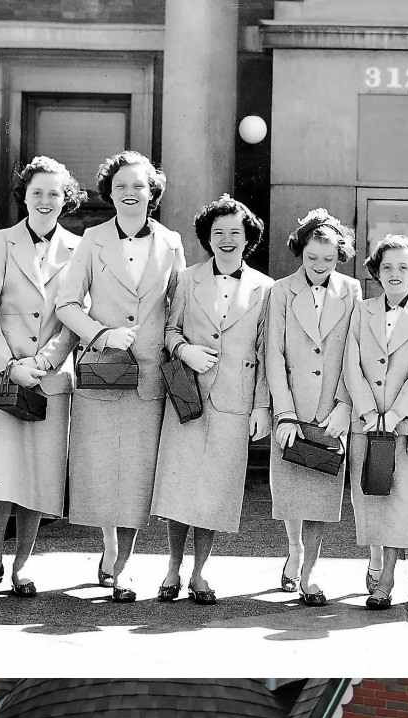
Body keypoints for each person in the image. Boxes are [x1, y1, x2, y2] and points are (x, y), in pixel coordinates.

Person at [56, 150, 185, 602]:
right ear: (109, 193)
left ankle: (124, 567)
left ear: (153, 192)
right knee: (98, 468)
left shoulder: (170, 242)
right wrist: (102, 333)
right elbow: (67, 304)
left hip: (149, 375)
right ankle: (109, 550)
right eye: (121, 186)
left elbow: (178, 310)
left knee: (134, 472)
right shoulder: (91, 240)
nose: (131, 193)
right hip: (103, 371)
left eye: (139, 185)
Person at [150, 196, 273, 605]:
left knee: (215, 491)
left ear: (247, 238)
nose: (226, 240)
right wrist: (185, 350)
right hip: (188, 398)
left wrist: (261, 408)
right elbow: (169, 331)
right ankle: (172, 567)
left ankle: (200, 573)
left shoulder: (265, 288)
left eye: (234, 232)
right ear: (207, 237)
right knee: (180, 486)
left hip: (234, 403)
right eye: (218, 232)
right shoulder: (187, 279)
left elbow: (265, 352)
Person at [0, 157, 84, 598]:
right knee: (0, 472)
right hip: (2, 375)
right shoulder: (3, 241)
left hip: (49, 378)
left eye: (54, 193)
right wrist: (9, 364)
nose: (44, 200)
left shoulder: (80, 248)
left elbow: (75, 315)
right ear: (25, 195)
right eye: (37, 192)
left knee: (38, 472)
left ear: (66, 199)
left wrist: (44, 363)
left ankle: (23, 564)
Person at [266, 208, 361, 606]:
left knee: (323, 493)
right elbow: (272, 351)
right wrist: (284, 412)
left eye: (329, 258)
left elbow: (356, 350)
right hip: (294, 407)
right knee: (291, 490)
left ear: (340, 255)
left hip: (332, 410)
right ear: (300, 252)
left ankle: (309, 573)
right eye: (312, 258)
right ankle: (294, 550)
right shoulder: (281, 291)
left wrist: (344, 403)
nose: (320, 266)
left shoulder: (353, 291)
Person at [342, 233, 408, 609]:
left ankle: (387, 578)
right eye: (387, 267)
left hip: (401, 425)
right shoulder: (360, 310)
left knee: (400, 499)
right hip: (364, 423)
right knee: (367, 494)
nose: (394, 273)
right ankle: (375, 556)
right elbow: (350, 362)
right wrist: (368, 412)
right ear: (375, 272)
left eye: (403, 267)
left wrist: (397, 416)